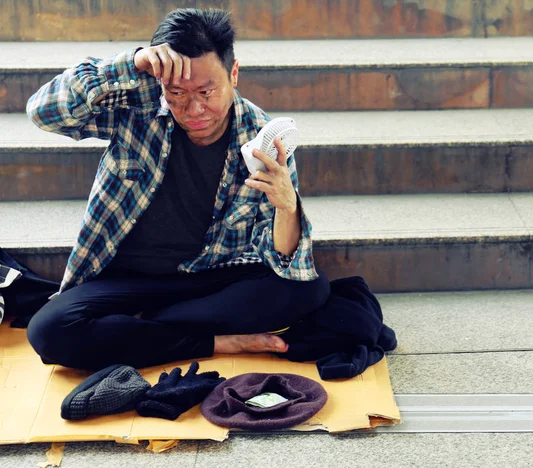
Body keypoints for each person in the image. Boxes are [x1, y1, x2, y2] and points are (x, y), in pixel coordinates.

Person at [25, 8, 330, 370]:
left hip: (210, 278)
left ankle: (136, 330)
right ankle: (212, 342)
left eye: (207, 91)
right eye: (177, 93)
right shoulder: (135, 108)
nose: (195, 109)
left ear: (234, 74)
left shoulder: (260, 138)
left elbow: (283, 260)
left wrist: (287, 207)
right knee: (49, 329)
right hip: (129, 279)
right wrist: (131, 64)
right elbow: (43, 113)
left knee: (309, 289)